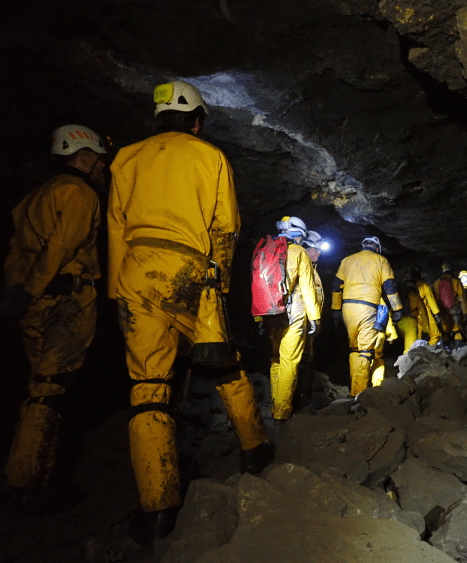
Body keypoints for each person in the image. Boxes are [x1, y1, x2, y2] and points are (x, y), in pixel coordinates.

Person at [108, 80, 270, 544]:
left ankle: (159, 508)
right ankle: (255, 449)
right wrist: (217, 286)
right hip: (191, 267)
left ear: (158, 118)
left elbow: (117, 226)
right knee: (223, 362)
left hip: (137, 268)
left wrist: (118, 289)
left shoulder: (125, 158)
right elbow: (225, 226)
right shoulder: (209, 156)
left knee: (148, 387)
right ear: (196, 120)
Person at [0, 124, 108, 513]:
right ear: (83, 158)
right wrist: (35, 287)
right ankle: (29, 484)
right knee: (51, 388)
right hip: (66, 299)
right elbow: (62, 245)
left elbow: (18, 250)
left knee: (38, 387)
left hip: (34, 304)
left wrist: (17, 289)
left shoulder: (33, 197)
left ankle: (28, 474)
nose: (102, 169)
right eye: (98, 161)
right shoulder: (79, 193)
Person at [259, 217, 322, 424]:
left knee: (276, 359)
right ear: (297, 235)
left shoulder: (264, 249)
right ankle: (282, 413)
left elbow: (258, 284)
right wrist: (315, 317)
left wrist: (259, 317)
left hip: (269, 312)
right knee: (289, 361)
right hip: (293, 311)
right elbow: (307, 287)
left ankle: (275, 404)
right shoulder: (299, 252)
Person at [331, 236, 403, 397]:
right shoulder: (381, 260)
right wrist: (397, 307)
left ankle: (354, 390)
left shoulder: (347, 260)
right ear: (377, 248)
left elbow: (336, 285)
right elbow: (389, 285)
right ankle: (359, 395)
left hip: (347, 308)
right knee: (365, 352)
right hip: (368, 307)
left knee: (355, 349)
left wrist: (336, 309)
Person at [297, 230, 326, 407]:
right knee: (301, 360)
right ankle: (299, 401)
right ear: (307, 248)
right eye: (317, 249)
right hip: (302, 321)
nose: (319, 253)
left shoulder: (312, 268)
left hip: (309, 322)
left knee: (306, 359)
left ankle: (302, 397)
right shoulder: (303, 266)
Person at [433, 262, 467, 348]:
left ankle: (446, 349)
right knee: (457, 328)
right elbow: (462, 298)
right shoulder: (456, 281)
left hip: (442, 309)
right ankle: (460, 348)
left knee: (446, 329)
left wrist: (437, 312)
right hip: (454, 307)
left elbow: (435, 297)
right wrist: (465, 313)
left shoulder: (437, 283)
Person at [410, 265, 442, 345]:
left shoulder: (407, 284)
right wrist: (436, 313)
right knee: (435, 335)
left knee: (416, 337)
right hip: (424, 312)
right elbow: (430, 298)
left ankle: (415, 353)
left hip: (410, 314)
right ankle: (429, 349)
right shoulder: (423, 284)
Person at [396, 279, 430, 352]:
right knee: (410, 347)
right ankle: (407, 361)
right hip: (410, 322)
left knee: (406, 341)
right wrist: (426, 329)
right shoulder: (414, 296)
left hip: (398, 322)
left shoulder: (397, 296)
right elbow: (423, 312)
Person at [371, 298, 398, 387]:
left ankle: (357, 391)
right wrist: (391, 334)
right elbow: (383, 308)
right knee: (377, 358)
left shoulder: (350, 289)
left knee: (359, 356)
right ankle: (376, 387)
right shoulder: (375, 289)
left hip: (356, 330)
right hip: (375, 330)